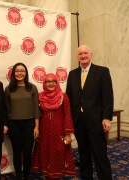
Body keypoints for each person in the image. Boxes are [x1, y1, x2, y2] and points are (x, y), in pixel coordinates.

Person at [66, 45, 113, 180]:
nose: (83, 55)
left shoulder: (102, 72)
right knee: (83, 154)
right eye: (80, 54)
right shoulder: (72, 74)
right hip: (78, 120)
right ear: (77, 57)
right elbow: (69, 97)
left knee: (100, 154)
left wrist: (106, 118)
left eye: (85, 53)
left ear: (91, 55)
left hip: (96, 120)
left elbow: (107, 96)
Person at [31, 73, 76, 179]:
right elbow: (36, 115)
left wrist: (67, 134)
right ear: (44, 83)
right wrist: (36, 129)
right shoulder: (40, 97)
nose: (50, 84)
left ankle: (56, 176)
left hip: (59, 132)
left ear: (57, 83)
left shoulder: (63, 97)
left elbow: (67, 115)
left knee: (58, 153)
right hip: (44, 132)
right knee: (45, 153)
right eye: (48, 81)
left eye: (53, 81)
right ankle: (47, 175)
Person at [4, 62, 40, 180]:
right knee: (16, 152)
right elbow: (6, 108)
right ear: (14, 73)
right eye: (17, 71)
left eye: (22, 71)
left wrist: (36, 127)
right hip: (13, 124)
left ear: (26, 73)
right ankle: (19, 176)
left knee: (28, 153)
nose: (20, 73)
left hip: (29, 124)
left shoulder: (32, 88)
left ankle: (26, 177)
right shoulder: (8, 89)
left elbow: (36, 109)